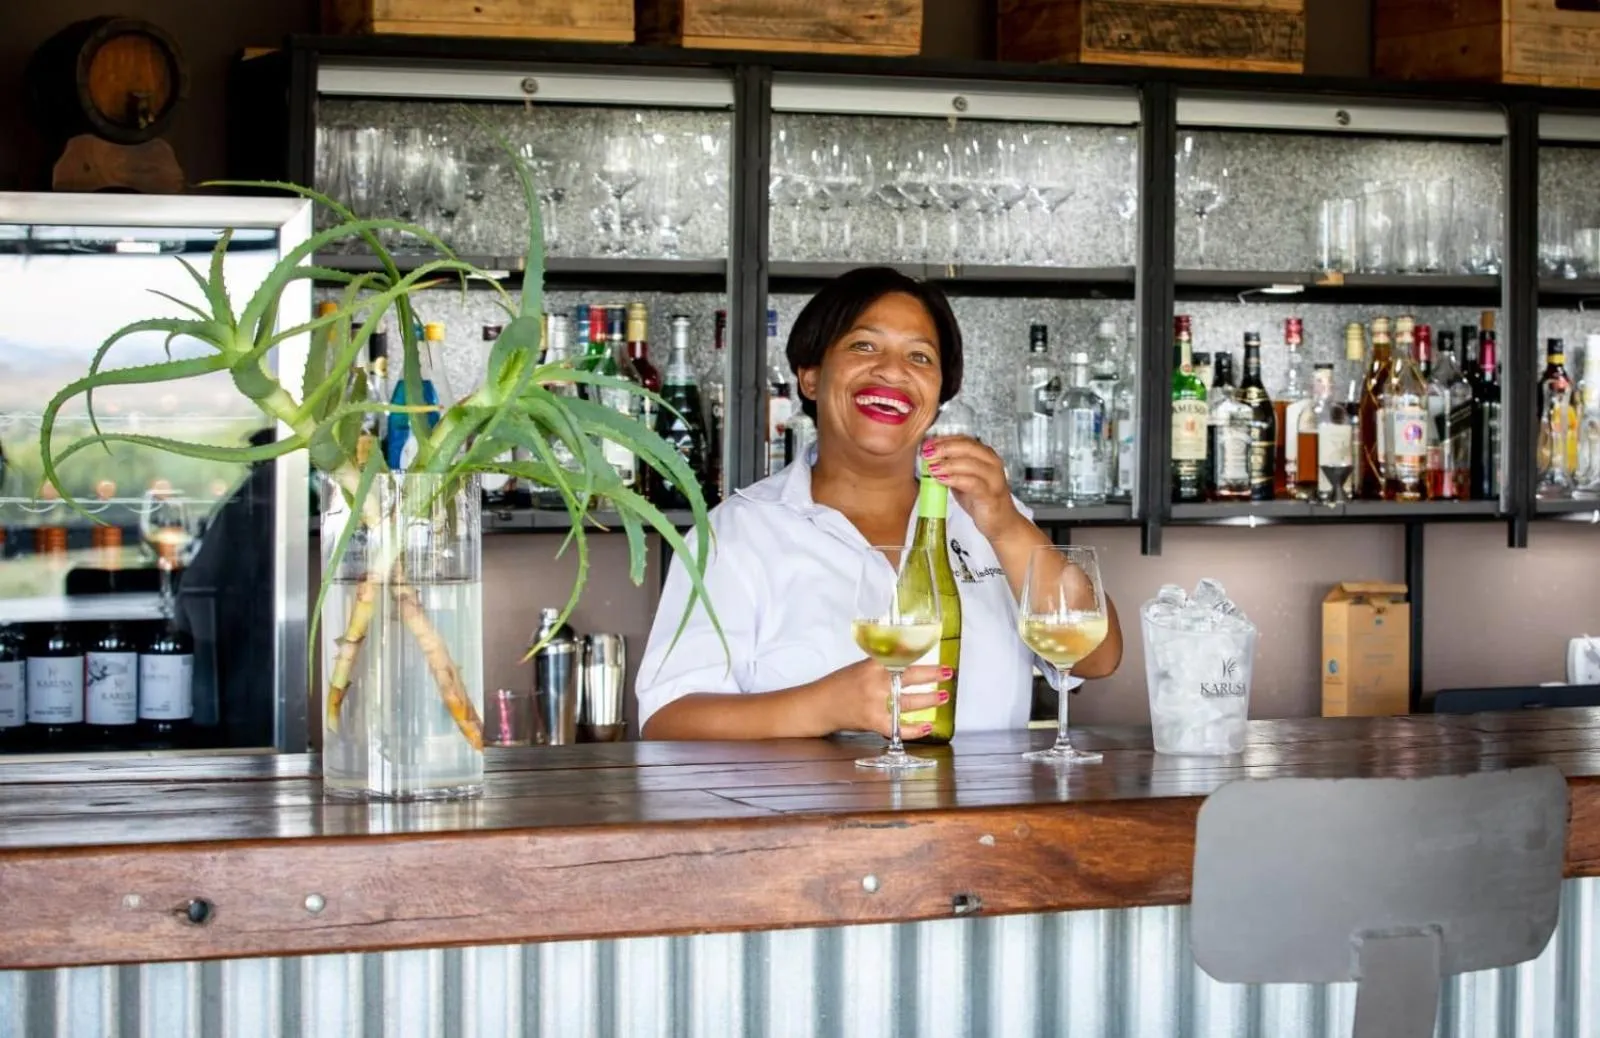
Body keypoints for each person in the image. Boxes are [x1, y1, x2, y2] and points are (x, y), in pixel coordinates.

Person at [637, 267, 1123, 741]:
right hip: (809, 801)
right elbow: (668, 720)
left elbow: (1097, 658)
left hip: (986, 800)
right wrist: (827, 705)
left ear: (939, 395)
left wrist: (1006, 526)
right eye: (864, 346)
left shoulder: (988, 516)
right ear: (810, 376)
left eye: (920, 357)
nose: (893, 370)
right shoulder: (736, 534)